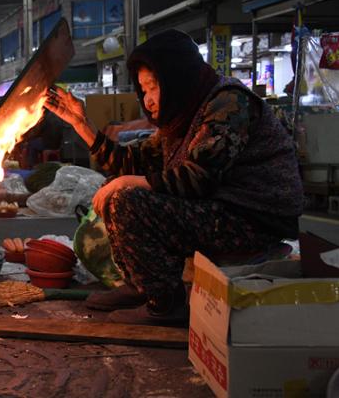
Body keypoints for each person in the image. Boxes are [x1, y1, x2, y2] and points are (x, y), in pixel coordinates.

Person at [44, 29, 304, 323]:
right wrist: (82, 124)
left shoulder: (229, 103)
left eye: (153, 87)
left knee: (127, 200)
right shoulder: (181, 120)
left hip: (254, 220)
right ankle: (140, 286)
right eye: (143, 90)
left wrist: (129, 183)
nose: (148, 99)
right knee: (116, 189)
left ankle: (165, 304)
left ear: (177, 78)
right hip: (220, 212)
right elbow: (133, 162)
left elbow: (198, 178)